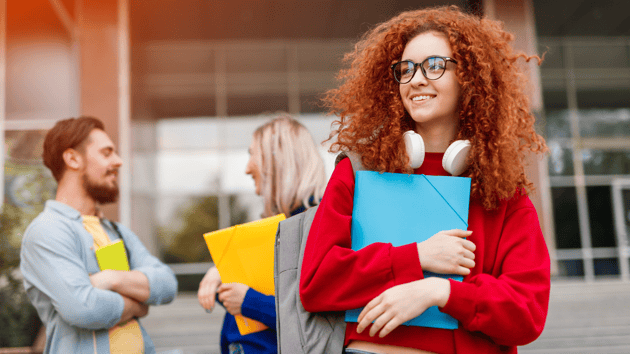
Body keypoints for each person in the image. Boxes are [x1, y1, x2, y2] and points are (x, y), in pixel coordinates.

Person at [299, 6, 551, 354]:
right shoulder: (358, 171)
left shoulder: (502, 189)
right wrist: (415, 257)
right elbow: (316, 282)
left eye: (434, 65)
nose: (416, 79)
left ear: (470, 78)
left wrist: (441, 292)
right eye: (406, 69)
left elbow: (527, 313)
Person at [20, 117, 178, 354]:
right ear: (72, 158)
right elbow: (85, 308)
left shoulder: (116, 231)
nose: (118, 161)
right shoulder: (47, 231)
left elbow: (166, 283)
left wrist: (112, 278)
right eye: (107, 153)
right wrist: (137, 306)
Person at [197, 114, 327, 354]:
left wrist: (248, 302)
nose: (247, 168)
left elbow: (321, 321)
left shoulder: (318, 227)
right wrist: (221, 277)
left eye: (252, 154)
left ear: (276, 160)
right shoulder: (276, 228)